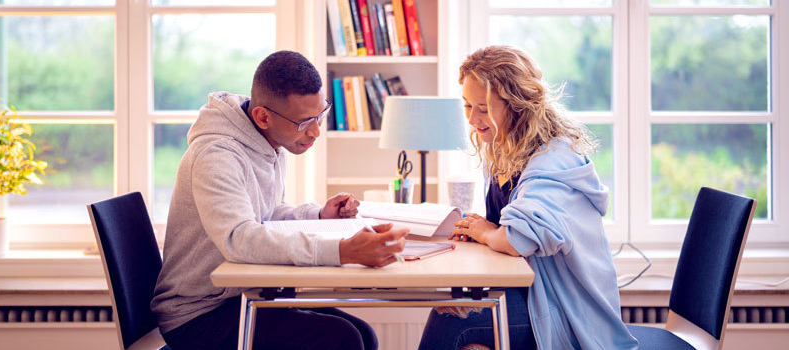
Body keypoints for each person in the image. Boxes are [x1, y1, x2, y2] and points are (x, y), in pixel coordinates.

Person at [151, 50, 409, 350]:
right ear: (263, 116)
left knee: (362, 333)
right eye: (304, 122)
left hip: (242, 296)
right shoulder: (217, 155)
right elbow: (239, 238)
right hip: (198, 315)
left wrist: (319, 215)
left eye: (320, 115)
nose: (315, 131)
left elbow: (267, 215)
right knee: (343, 339)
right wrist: (342, 251)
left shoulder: (268, 141)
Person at [417, 46, 638, 350]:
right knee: (455, 315)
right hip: (535, 295)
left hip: (565, 310)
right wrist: (484, 231)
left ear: (517, 105)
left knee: (451, 322)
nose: (472, 119)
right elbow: (503, 227)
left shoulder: (555, 155)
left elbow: (516, 239)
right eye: (468, 106)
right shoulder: (505, 147)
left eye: (483, 107)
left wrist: (486, 232)